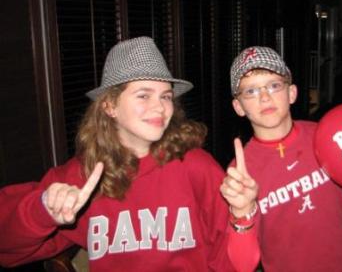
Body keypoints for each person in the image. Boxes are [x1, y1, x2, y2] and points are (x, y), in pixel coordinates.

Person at [0, 36, 238, 271]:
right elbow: (8, 250)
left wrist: (244, 214)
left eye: (166, 96)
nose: (160, 107)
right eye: (144, 95)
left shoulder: (195, 166)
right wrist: (42, 211)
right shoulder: (84, 176)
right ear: (110, 106)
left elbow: (229, 256)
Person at [220, 45, 342, 272]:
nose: (265, 97)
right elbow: (242, 264)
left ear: (291, 93)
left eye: (274, 85)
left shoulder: (327, 135)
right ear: (239, 107)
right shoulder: (241, 172)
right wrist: (242, 213)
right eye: (251, 91)